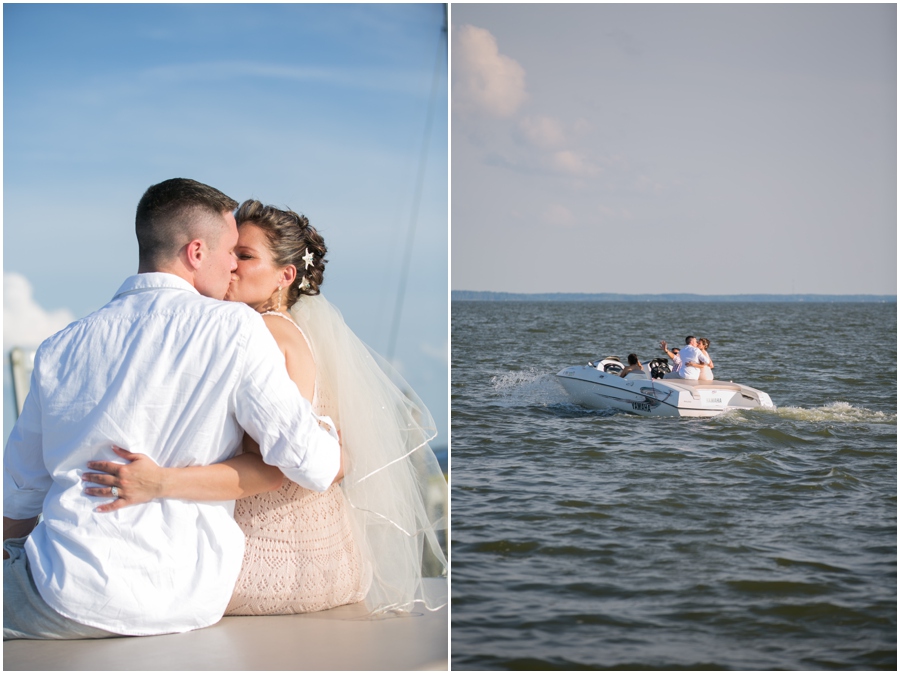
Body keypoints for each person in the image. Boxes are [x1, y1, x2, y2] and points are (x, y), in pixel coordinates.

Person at [3, 179, 341, 640]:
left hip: (66, 592)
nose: (232, 267)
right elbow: (314, 465)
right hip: (190, 598)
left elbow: (19, 498)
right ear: (197, 253)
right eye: (230, 252)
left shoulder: (59, 347)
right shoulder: (239, 330)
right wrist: (328, 433)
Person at [81, 201, 447, 617]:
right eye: (230, 251)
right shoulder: (298, 332)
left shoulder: (262, 334)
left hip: (270, 560)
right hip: (326, 552)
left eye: (245, 255)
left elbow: (273, 471)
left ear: (285, 276)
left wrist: (158, 482)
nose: (229, 265)